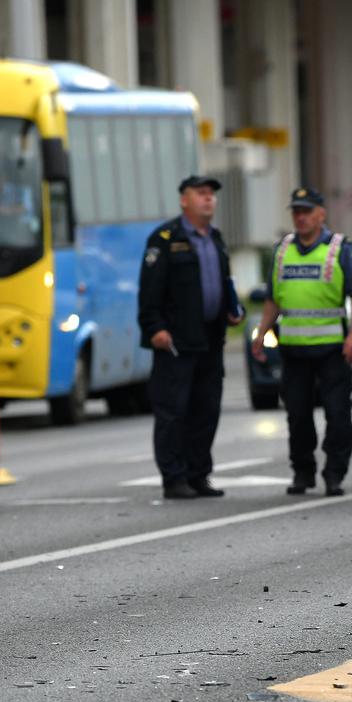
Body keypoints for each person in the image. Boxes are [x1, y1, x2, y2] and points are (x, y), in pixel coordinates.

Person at [252, 186, 352, 497]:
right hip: (294, 350)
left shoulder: (339, 248)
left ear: (321, 214)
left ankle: (334, 473)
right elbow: (274, 299)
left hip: (332, 349)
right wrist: (261, 333)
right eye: (296, 212)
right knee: (297, 415)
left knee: (337, 414)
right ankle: (303, 471)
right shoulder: (282, 251)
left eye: (306, 211)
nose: (300, 218)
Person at [138, 175, 244, 500]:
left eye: (211, 194)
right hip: (176, 342)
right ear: (184, 200)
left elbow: (222, 280)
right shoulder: (166, 238)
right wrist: (154, 327)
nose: (208, 199)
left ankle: (199, 474)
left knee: (206, 409)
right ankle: (174, 477)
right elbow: (149, 290)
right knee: (173, 411)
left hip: (211, 338)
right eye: (201, 194)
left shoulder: (215, 238)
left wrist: (231, 307)